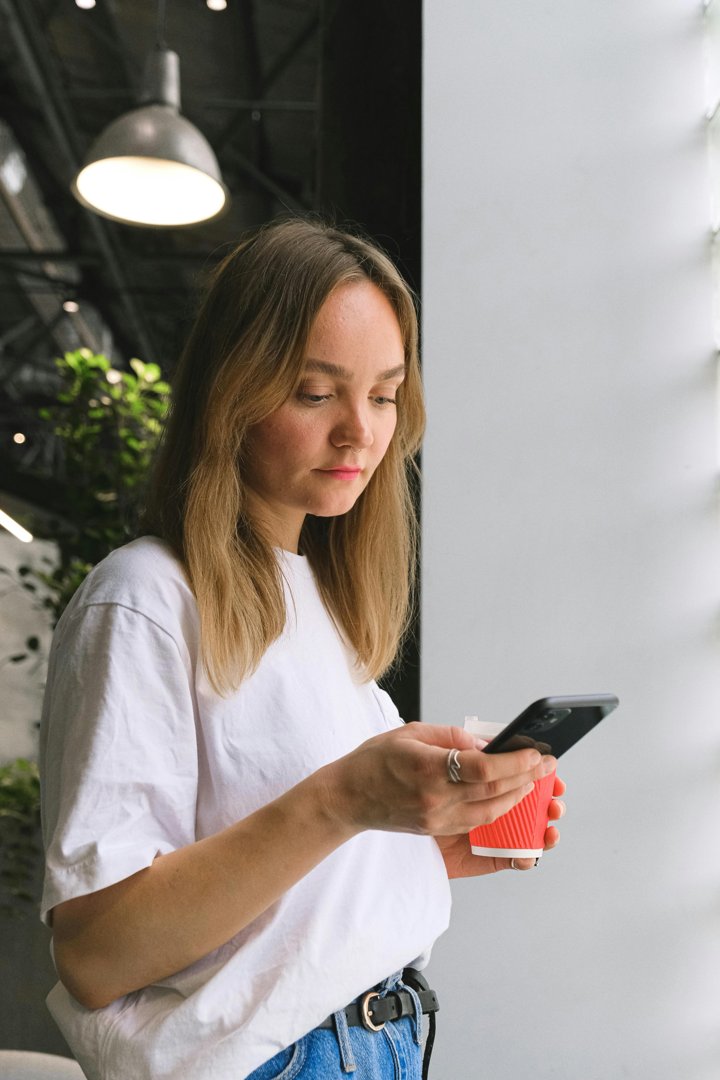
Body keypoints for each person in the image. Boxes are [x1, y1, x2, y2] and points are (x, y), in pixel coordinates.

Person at [39, 218, 565, 1080]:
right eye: (317, 393)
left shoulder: (316, 599)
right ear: (232, 392)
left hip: (379, 1041)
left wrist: (428, 845)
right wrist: (347, 798)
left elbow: (270, 898)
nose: (361, 431)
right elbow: (95, 954)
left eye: (386, 394)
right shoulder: (143, 600)